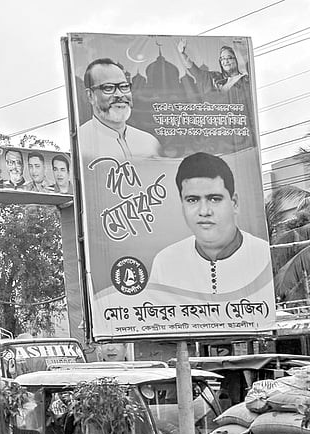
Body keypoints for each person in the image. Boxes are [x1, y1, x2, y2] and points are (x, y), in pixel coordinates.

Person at [148, 152, 270, 296]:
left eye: (214, 199)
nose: (204, 211)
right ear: (182, 204)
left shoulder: (264, 255)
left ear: (234, 203)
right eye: (192, 200)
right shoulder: (166, 262)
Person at [76, 59, 161, 161]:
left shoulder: (149, 142)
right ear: (90, 96)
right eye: (108, 88)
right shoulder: (80, 143)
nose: (120, 94)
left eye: (124, 87)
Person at [177, 40, 252, 108]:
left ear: (236, 59)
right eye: (223, 58)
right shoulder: (214, 77)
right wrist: (182, 54)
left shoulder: (245, 80)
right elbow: (196, 72)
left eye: (229, 58)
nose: (226, 61)